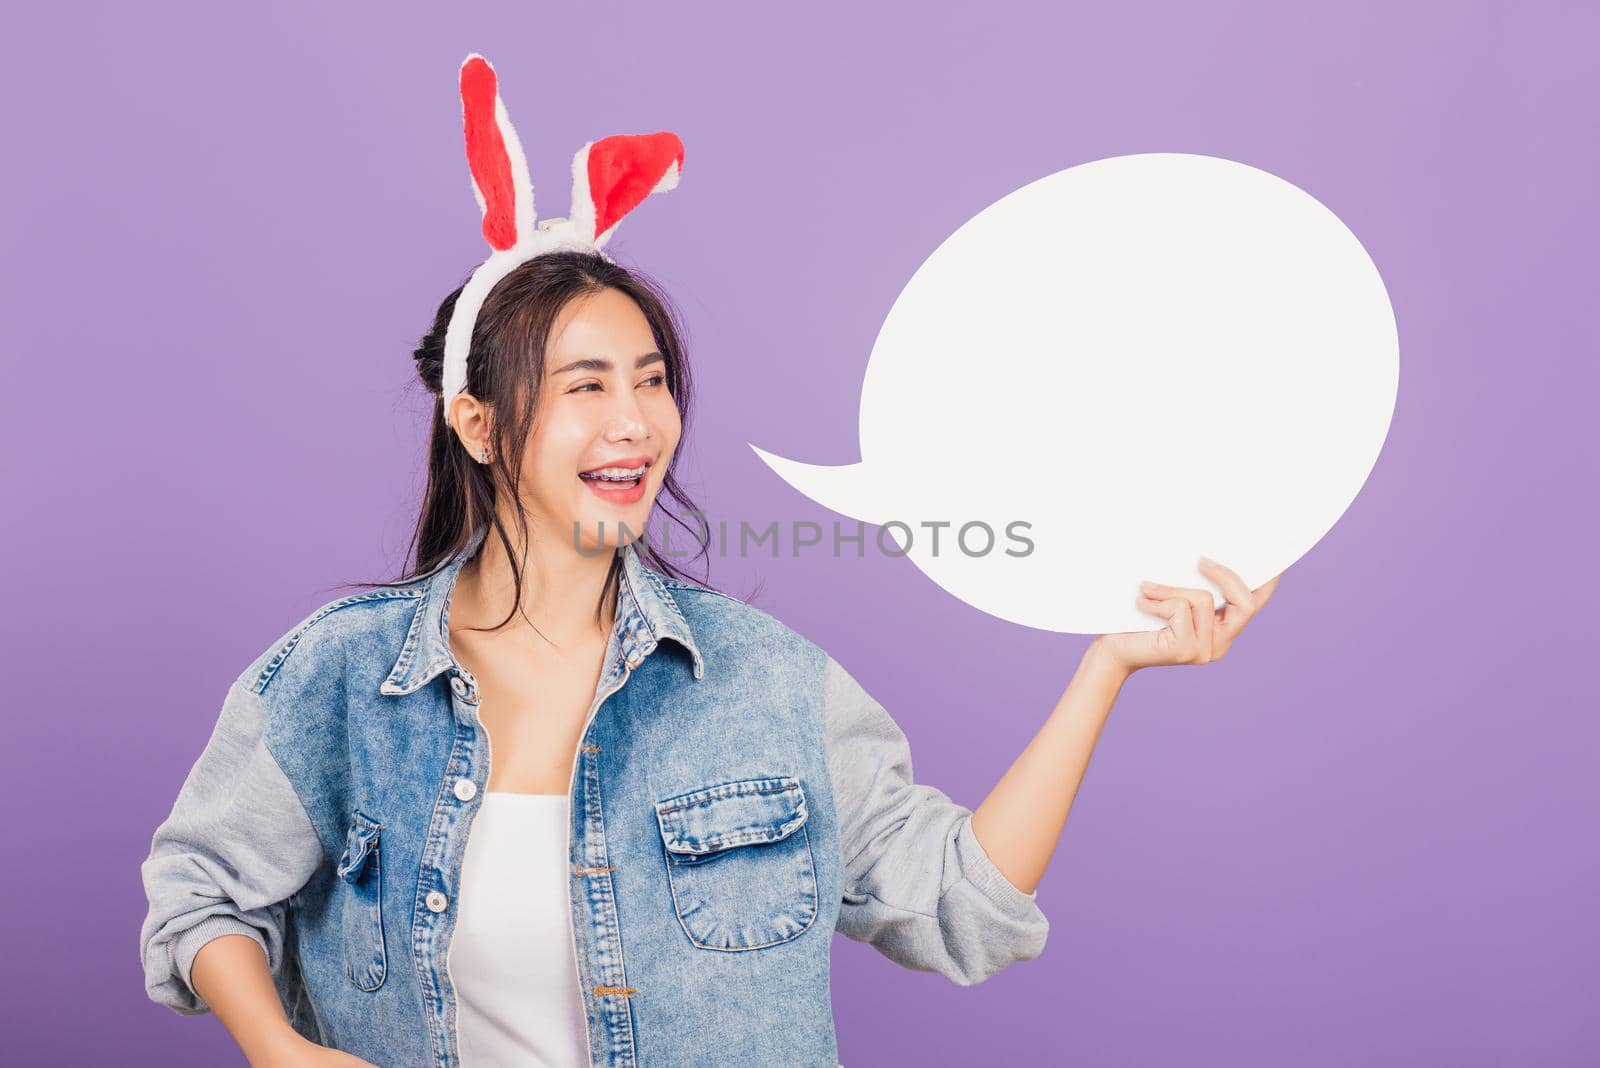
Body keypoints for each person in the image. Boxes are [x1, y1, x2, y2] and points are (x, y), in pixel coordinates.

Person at [139, 56, 1281, 1068]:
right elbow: (201, 896)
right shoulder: (339, 678)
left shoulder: (764, 682)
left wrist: (1104, 670)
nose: (636, 421)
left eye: (650, 379)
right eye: (586, 386)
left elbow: (958, 906)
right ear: (478, 425)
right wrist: (280, 1049)